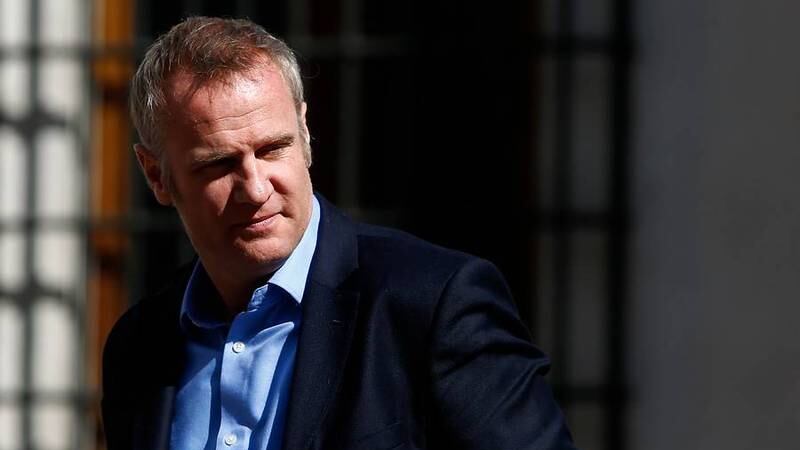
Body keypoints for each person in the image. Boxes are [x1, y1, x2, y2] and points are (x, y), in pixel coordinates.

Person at [102, 16, 577, 450]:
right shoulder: (139, 345)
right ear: (156, 175)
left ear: (305, 133)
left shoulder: (432, 305)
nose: (256, 188)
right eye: (219, 164)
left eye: (273, 149)